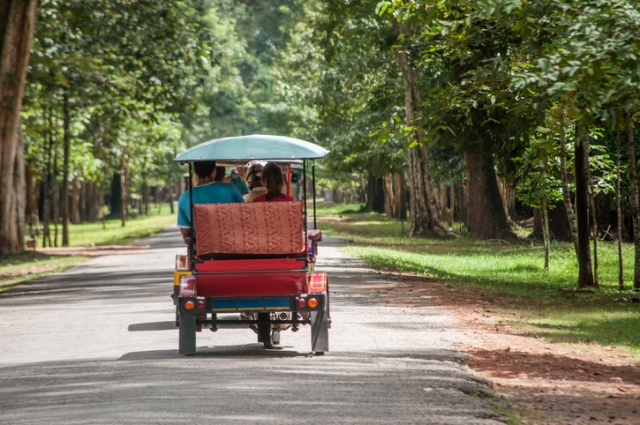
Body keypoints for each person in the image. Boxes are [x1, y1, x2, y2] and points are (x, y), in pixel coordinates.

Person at [177, 161, 244, 238]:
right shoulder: (230, 189)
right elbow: (243, 214)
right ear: (214, 170)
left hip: (203, 247)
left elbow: (185, 231)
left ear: (195, 172)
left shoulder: (184, 197)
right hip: (231, 242)